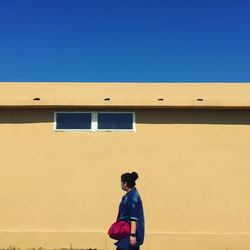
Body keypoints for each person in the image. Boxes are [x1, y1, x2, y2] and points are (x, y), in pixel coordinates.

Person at [115, 172, 145, 250]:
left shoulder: (132, 197)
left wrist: (132, 235)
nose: (121, 185)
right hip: (125, 233)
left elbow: (133, 218)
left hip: (129, 234)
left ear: (125, 183)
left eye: (121, 182)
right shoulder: (129, 195)